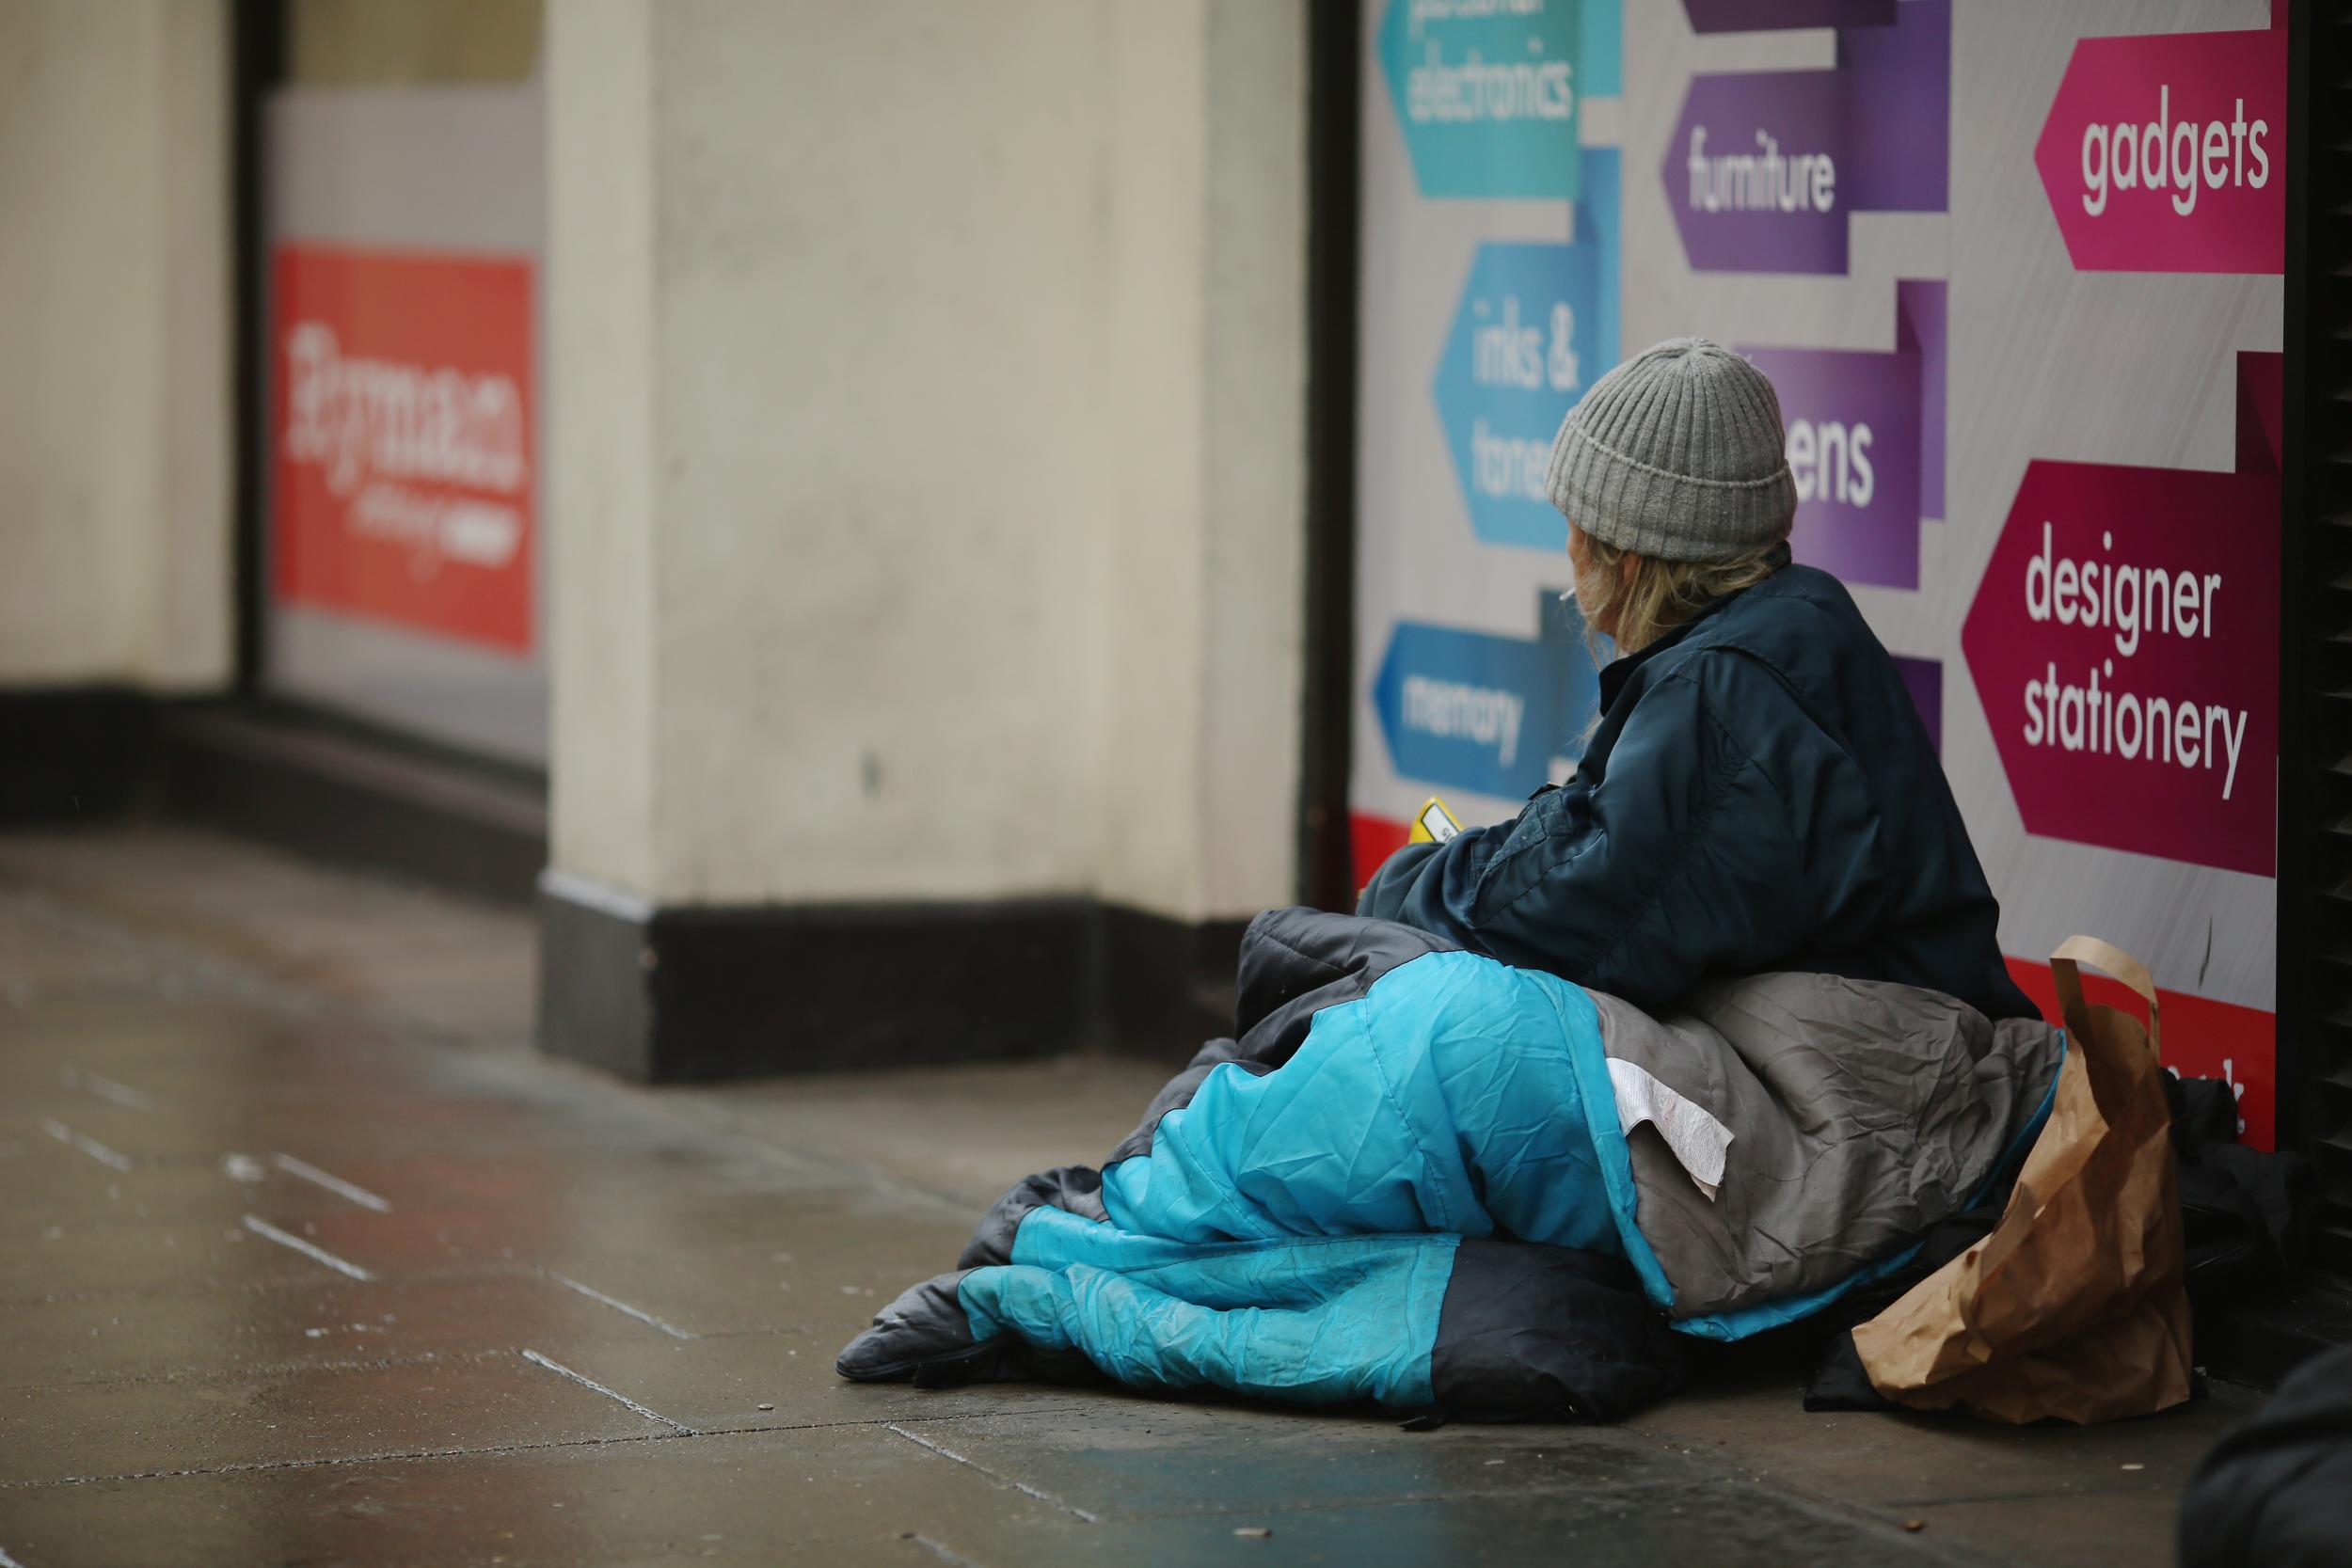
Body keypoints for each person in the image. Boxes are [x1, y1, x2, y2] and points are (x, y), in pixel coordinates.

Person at [1359, 337, 2035, 1022]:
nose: (1566, 548)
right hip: (1907, 1071)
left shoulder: (1723, 697)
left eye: (1574, 525)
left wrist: (1402, 890)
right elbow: (1600, 850)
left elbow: (1557, 922)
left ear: (1623, 557)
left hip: (1908, 1100)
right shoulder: (1793, 622)